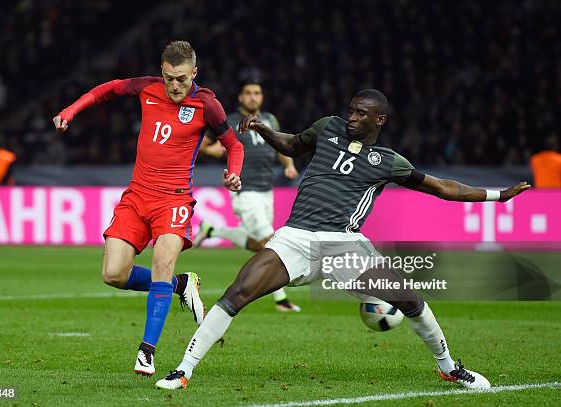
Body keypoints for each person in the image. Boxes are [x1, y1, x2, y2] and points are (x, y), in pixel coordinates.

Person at [155, 89, 530, 390]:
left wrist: (497, 195)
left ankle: (450, 369)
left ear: (378, 120)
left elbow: (444, 187)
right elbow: (292, 145)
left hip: (343, 246)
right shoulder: (327, 128)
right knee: (237, 293)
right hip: (296, 237)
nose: (351, 117)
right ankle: (183, 370)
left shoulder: (388, 161)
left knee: (412, 301)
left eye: (360, 114)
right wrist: (264, 131)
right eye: (351, 110)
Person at [52, 40, 244, 376]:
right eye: (169, 77)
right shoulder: (148, 88)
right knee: (113, 274)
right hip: (137, 195)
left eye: (181, 79)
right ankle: (181, 285)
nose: (174, 86)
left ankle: (147, 351)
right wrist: (71, 110)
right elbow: (107, 90)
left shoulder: (207, 104)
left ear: (194, 73)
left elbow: (233, 144)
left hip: (174, 198)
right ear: (162, 73)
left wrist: (234, 174)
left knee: (161, 262)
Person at [195, 79, 301, 312]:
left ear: (261, 97)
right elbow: (210, 145)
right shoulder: (231, 121)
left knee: (260, 244)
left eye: (257, 93)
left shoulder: (270, 119)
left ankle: (212, 230)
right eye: (248, 93)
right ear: (241, 98)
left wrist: (289, 164)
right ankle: (280, 299)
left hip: (266, 190)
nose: (253, 97)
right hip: (244, 189)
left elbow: (281, 145)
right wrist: (209, 148)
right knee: (272, 242)